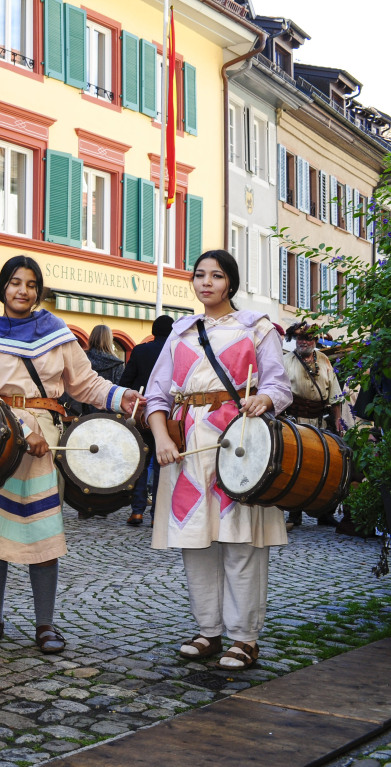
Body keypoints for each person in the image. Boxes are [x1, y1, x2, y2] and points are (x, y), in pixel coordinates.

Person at [0, 256, 141, 654]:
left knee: (44, 534)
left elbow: (85, 383)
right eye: (15, 282)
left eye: (31, 284)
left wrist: (123, 397)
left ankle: (45, 624)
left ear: (38, 290)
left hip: (43, 445)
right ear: (3, 286)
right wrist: (22, 428)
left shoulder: (56, 332)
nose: (23, 290)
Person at [145, 249, 291, 670]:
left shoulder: (257, 329)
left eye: (216, 276)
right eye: (199, 275)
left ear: (231, 282)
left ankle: (244, 638)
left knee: (240, 539)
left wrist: (263, 398)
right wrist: (160, 439)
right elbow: (157, 394)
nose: (206, 282)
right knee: (196, 541)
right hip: (188, 448)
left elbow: (278, 385)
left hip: (240, 442)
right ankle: (208, 631)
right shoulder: (180, 333)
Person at [281, 321, 344, 529]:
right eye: (299, 338)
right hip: (295, 422)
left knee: (326, 468)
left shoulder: (324, 360)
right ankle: (294, 513)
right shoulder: (286, 361)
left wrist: (337, 420)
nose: (303, 341)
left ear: (315, 340)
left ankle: (324, 513)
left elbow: (334, 394)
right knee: (296, 467)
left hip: (320, 422)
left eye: (308, 338)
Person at [119, 315, 174, 526]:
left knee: (140, 463)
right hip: (166, 416)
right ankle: (157, 516)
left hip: (140, 414)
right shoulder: (173, 351)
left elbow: (125, 382)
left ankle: (137, 512)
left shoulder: (140, 351)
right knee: (162, 463)